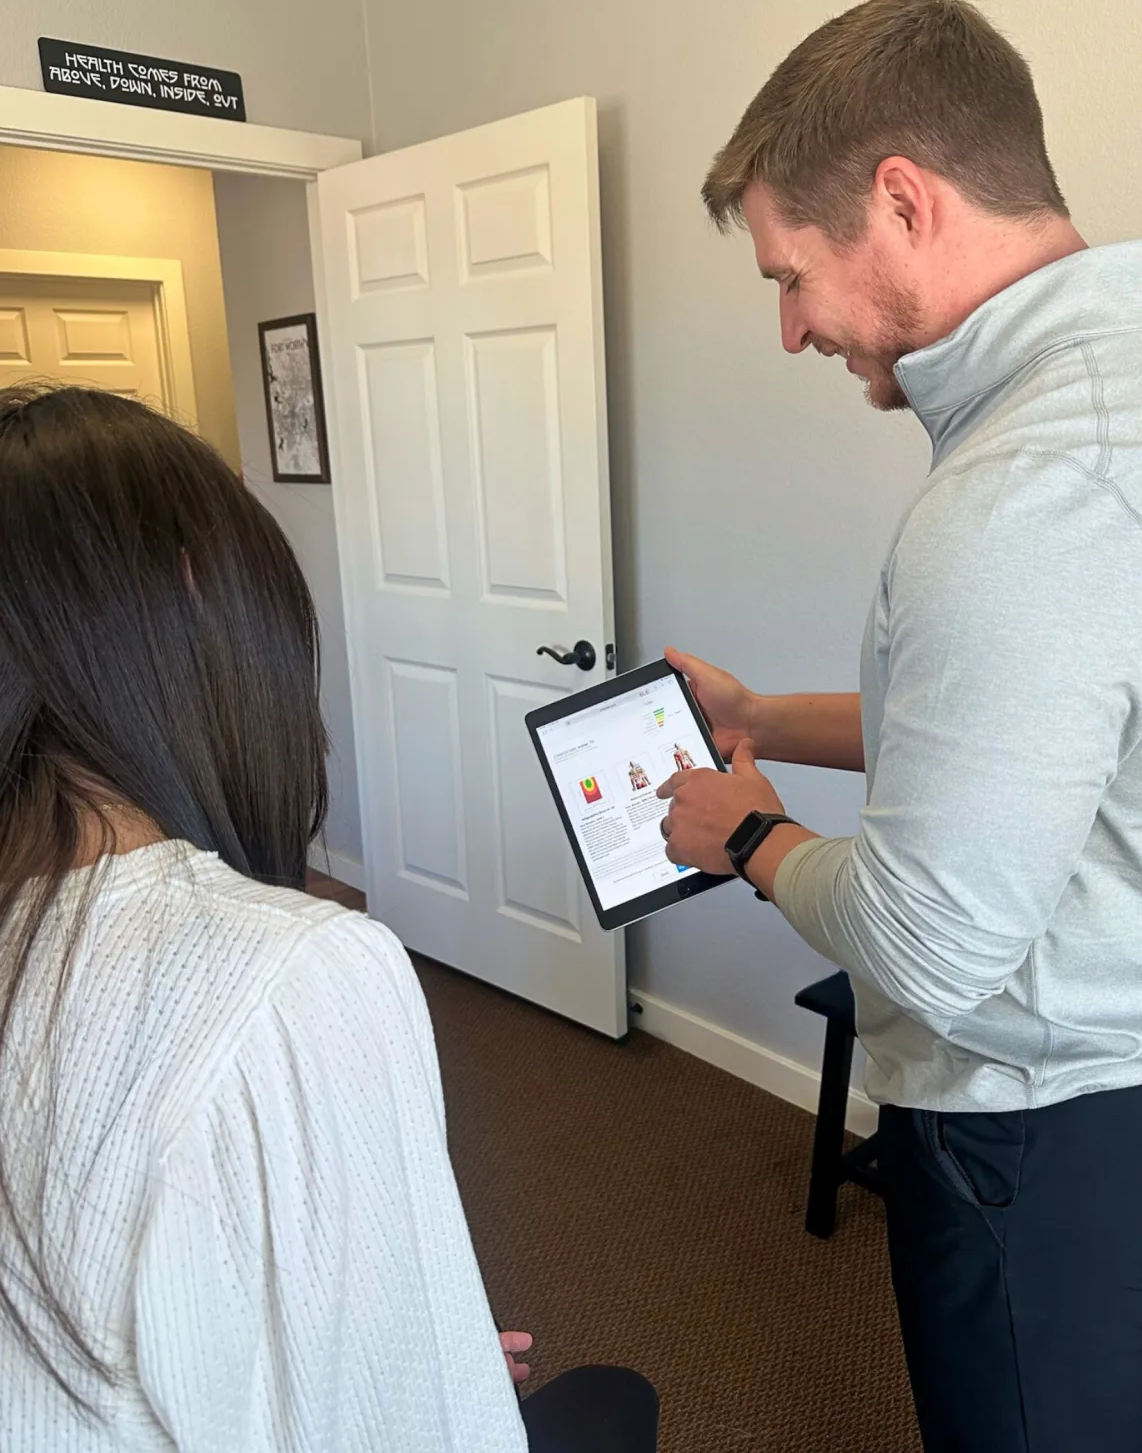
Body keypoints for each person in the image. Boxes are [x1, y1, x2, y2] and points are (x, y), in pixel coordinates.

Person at [656, 0, 1142, 1452]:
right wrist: (758, 712)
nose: (789, 330)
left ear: (902, 200)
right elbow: (1000, 745)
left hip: (1034, 1126)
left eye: (790, 274)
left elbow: (928, 941)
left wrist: (747, 832)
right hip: (1136, 1090)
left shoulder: (1030, 501)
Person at [0, 383, 658, 1453]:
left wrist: (393, 1338)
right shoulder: (295, 980)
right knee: (614, 1400)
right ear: (201, 605)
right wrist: (417, 1372)